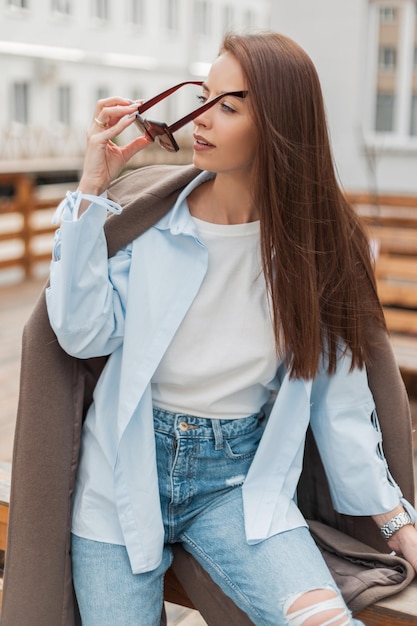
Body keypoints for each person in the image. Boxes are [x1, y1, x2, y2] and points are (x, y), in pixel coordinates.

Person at [3, 31, 417, 626]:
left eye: (227, 106)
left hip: (238, 487)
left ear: (276, 125)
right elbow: (79, 334)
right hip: (121, 481)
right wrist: (90, 189)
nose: (200, 119)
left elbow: (341, 403)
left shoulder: (313, 253)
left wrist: (395, 521)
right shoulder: (148, 227)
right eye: (202, 97)